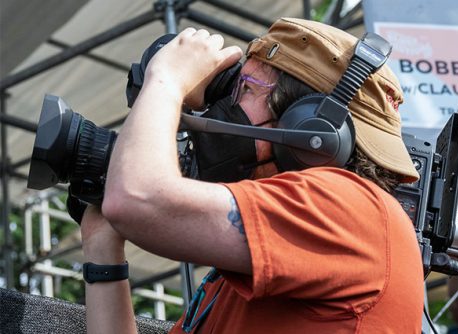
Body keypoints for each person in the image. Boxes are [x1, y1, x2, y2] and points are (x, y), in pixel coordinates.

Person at [80, 17, 424, 333]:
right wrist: (103, 247)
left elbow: (139, 202)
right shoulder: (239, 280)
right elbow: (133, 204)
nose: (222, 109)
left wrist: (168, 78)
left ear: (309, 129)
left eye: (244, 88)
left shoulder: (357, 212)